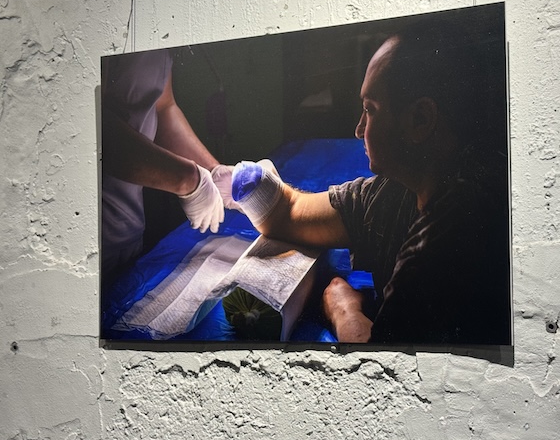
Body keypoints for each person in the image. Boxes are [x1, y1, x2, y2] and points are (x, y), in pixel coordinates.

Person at [233, 19, 511, 345]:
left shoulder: (441, 246)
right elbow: (287, 211)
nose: (358, 129)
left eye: (370, 109)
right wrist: (247, 182)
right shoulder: (399, 191)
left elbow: (385, 363)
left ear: (420, 119)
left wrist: (344, 310)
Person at [101, 49, 236, 280]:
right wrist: (187, 179)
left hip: (127, 230)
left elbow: (163, 107)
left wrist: (213, 171)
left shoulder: (158, 36)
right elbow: (95, 126)